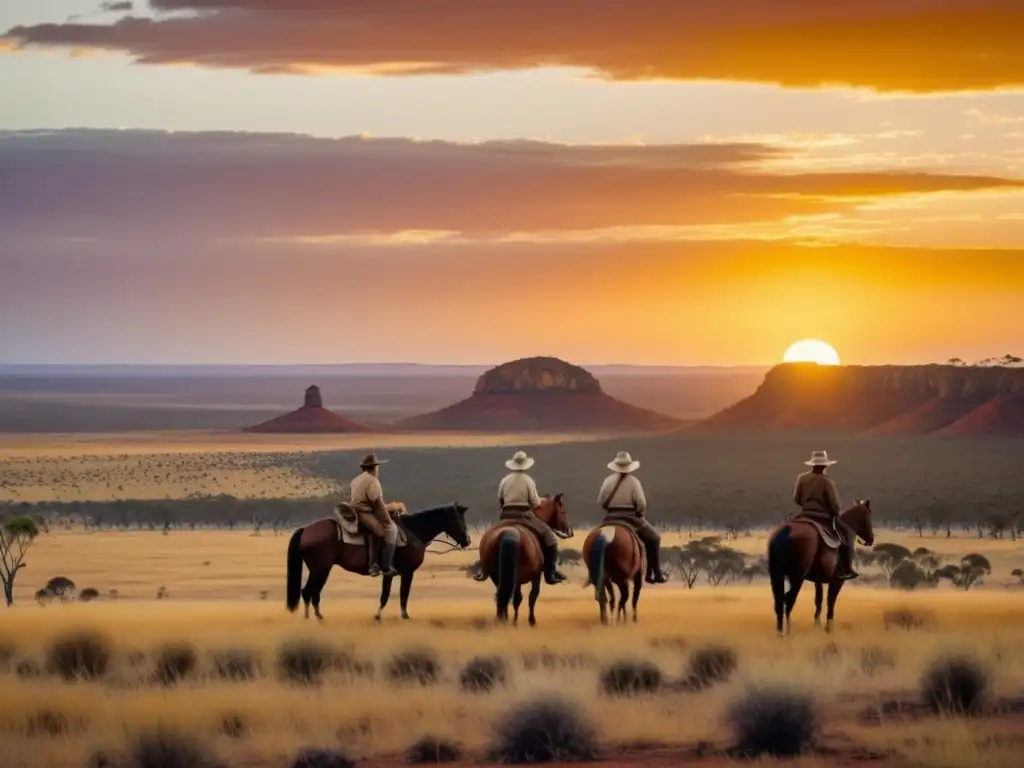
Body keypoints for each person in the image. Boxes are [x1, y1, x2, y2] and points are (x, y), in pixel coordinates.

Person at [479, 450, 567, 585]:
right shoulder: (528, 480)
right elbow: (535, 503)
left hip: (506, 515)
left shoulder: (505, 480)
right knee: (550, 538)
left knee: (487, 537)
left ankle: (484, 570)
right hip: (524, 515)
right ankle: (550, 572)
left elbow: (500, 499)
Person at [598, 451, 669, 584]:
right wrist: (640, 514)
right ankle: (655, 573)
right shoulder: (634, 482)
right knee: (654, 539)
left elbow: (601, 501)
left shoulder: (607, 480)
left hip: (610, 517)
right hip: (631, 517)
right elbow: (641, 503)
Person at [793, 449, 857, 580]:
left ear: (812, 465)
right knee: (847, 535)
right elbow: (835, 505)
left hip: (804, 515)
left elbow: (797, 499)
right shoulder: (827, 482)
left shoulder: (802, 478)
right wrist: (836, 513)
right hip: (823, 517)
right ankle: (846, 569)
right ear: (825, 466)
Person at [349, 452, 405, 577]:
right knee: (389, 530)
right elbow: (378, 503)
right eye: (377, 466)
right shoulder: (372, 481)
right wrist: (387, 520)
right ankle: (382, 566)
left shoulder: (356, 479)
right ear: (374, 467)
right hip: (364, 512)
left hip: (355, 510)